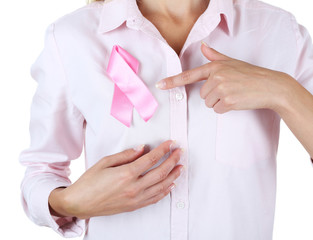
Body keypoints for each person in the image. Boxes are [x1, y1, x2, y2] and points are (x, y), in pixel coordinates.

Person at [19, 0, 313, 239]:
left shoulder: (280, 33)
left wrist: (284, 91)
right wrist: (69, 202)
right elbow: (40, 169)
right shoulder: (72, 37)